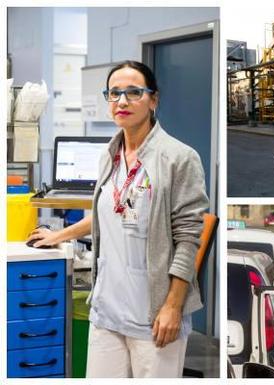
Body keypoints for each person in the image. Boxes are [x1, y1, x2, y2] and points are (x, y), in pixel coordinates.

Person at [27, 61, 209, 378]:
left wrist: (173, 307)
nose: (122, 101)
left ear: (153, 99)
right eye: (114, 93)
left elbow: (188, 238)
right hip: (107, 310)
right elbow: (109, 211)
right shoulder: (107, 155)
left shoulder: (179, 158)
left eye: (133, 92)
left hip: (152, 315)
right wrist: (60, 235)